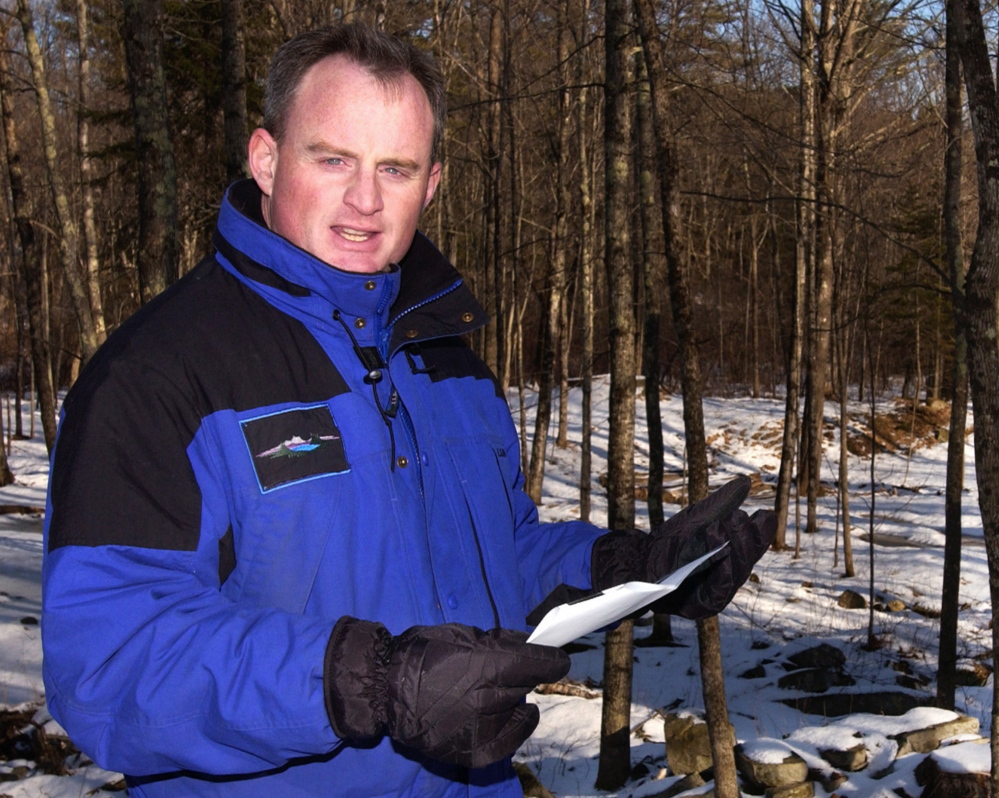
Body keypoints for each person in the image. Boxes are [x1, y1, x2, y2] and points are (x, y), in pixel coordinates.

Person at [41, 23, 775, 798]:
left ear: (431, 185)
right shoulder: (160, 374)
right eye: (333, 160)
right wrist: (369, 683)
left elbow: (499, 556)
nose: (364, 200)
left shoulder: (444, 359)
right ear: (266, 158)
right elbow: (109, 660)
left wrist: (631, 571)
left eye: (395, 168)